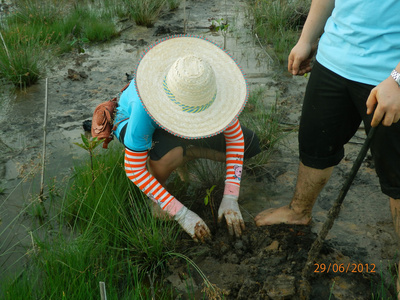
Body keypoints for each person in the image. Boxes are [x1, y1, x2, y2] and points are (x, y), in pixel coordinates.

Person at [254, 0, 400, 296]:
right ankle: (299, 210)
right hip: (333, 62)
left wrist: (397, 79)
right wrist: (306, 39)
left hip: (388, 76)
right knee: (315, 143)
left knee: (398, 175)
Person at [113, 35, 261, 242]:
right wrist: (181, 213)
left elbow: (236, 140)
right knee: (167, 153)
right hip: (131, 121)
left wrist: (230, 196)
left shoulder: (210, 93)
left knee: (252, 144)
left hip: (190, 116)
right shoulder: (143, 109)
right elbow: (134, 169)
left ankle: (188, 152)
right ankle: (158, 196)